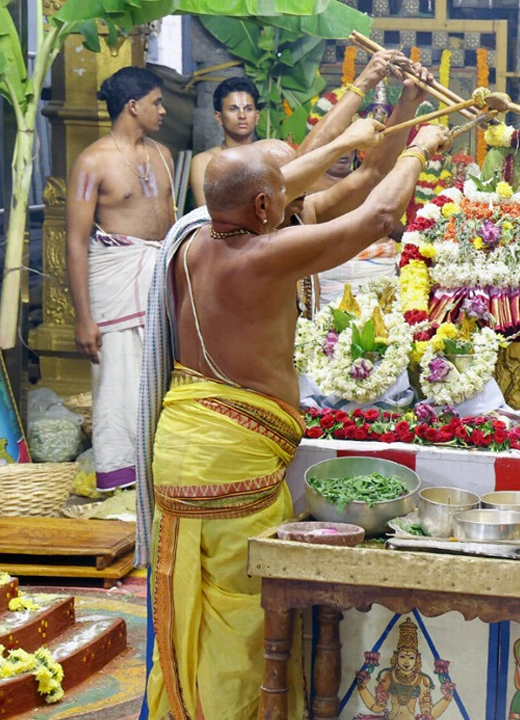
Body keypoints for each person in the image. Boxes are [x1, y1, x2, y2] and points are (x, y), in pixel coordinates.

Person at [139, 124, 450, 720]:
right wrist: (420, 148)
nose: (287, 201)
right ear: (263, 208)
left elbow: (282, 185)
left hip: (182, 446)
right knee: (245, 612)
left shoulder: (190, 242)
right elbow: (378, 214)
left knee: (196, 605)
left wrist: (369, 130)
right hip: (230, 460)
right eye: (277, 197)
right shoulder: (262, 253)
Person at [66, 66, 175, 492]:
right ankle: (120, 481)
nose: (163, 110)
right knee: (117, 381)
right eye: (156, 102)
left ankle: (159, 476)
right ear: (133, 106)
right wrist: (82, 318)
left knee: (163, 376)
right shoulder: (92, 162)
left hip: (157, 278)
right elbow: (75, 242)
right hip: (114, 279)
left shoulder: (164, 155)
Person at [188, 76, 260, 207]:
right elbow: (204, 213)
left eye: (248, 108)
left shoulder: (269, 157)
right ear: (219, 117)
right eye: (233, 109)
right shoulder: (204, 162)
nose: (242, 116)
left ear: (257, 117)